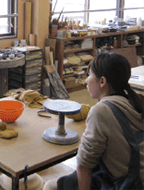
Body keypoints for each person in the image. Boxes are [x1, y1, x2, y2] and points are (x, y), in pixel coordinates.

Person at [56, 53, 144, 190]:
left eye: (89, 75)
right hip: (136, 179)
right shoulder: (135, 100)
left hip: (128, 184)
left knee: (51, 185)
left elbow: (84, 165)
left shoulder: (101, 111)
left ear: (102, 81)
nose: (86, 81)